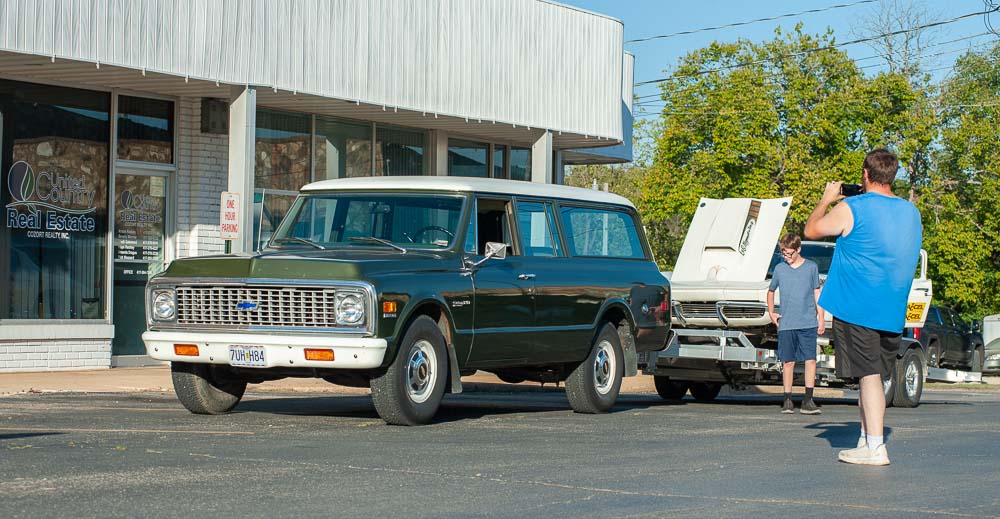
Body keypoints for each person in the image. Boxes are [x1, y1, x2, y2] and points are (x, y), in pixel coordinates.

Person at [804, 149, 922, 466]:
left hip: (858, 306)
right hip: (891, 309)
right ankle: (865, 439)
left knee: (868, 376)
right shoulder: (911, 212)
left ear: (866, 174)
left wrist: (826, 199)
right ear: (892, 176)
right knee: (871, 376)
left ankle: (876, 447)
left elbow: (811, 230)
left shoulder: (851, 207)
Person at [767, 233, 825, 415]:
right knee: (788, 361)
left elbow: (817, 293)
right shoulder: (780, 269)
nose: (786, 257)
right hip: (787, 323)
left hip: (808, 322)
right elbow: (771, 291)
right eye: (783, 254)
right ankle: (787, 399)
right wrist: (771, 312)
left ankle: (808, 400)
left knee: (811, 360)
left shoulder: (811, 267)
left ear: (798, 249)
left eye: (789, 253)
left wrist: (821, 318)